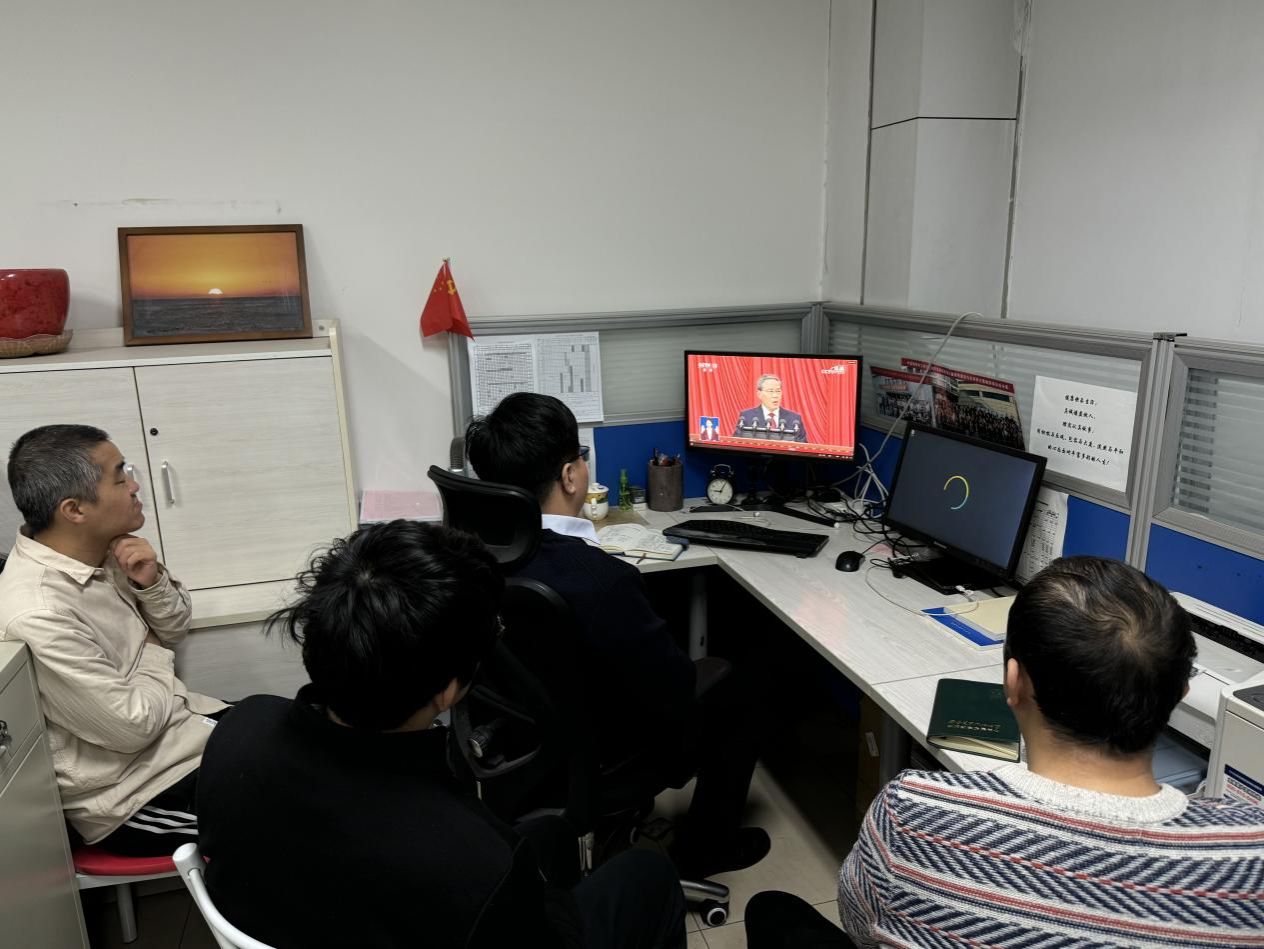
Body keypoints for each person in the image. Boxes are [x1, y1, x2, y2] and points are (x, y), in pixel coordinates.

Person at [196, 520, 686, 949]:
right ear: (449, 690)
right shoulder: (474, 863)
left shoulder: (240, 732)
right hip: (492, 920)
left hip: (323, 914)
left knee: (553, 835)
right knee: (648, 874)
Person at [744, 556, 1264, 948]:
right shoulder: (1246, 858)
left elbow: (861, 926)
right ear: (1179, 693)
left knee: (772, 911)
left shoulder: (913, 812)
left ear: (1013, 683)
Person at [466, 392, 769, 878]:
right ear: (570, 476)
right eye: (581, 458)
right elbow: (673, 690)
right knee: (738, 687)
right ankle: (707, 849)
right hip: (601, 755)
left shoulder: (469, 554)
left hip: (515, 745)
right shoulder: (599, 578)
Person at [0, 424, 228, 854]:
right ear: (74, 510)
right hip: (136, 793)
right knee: (303, 807)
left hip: (183, 734)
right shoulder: (38, 610)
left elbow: (174, 628)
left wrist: (150, 582)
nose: (135, 485)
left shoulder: (103, 550)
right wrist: (154, 651)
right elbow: (131, 727)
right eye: (120, 477)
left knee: (300, 732)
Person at [734, 373, 809, 442]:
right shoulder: (747, 416)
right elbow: (737, 443)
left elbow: (803, 445)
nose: (775, 395)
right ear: (759, 394)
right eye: (771, 391)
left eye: (778, 391)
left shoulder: (794, 419)